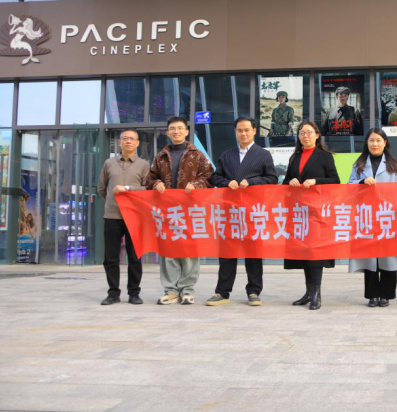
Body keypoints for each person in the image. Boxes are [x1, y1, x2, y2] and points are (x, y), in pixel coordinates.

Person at [206, 117, 278, 307]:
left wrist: (252, 182)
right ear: (235, 132)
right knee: (227, 253)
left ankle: (254, 291)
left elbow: (272, 178)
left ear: (254, 131)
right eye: (240, 130)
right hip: (230, 211)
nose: (243, 133)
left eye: (247, 130)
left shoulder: (263, 154)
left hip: (253, 212)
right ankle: (222, 292)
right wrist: (226, 182)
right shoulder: (227, 154)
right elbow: (215, 177)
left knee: (253, 252)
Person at [146, 116, 213, 305]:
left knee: (189, 250)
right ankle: (171, 290)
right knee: (168, 250)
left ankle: (187, 290)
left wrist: (196, 184)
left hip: (191, 210)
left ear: (186, 131)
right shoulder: (160, 156)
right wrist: (157, 183)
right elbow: (149, 179)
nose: (176, 131)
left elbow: (209, 177)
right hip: (167, 210)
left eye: (180, 128)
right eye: (173, 128)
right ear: (167, 132)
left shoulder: (197, 155)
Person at [348, 128, 397, 307]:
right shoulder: (359, 164)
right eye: (371, 140)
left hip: (388, 216)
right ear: (367, 143)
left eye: (378, 140)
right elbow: (349, 186)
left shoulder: (395, 164)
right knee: (370, 258)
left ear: (385, 143)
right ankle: (372, 295)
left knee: (389, 257)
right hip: (367, 216)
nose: (375, 144)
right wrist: (361, 182)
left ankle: (387, 295)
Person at [283, 121, 340, 310]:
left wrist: (316, 181)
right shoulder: (295, 157)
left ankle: (316, 294)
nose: (305, 135)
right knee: (304, 253)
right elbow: (285, 182)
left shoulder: (324, 156)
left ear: (317, 135)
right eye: (301, 132)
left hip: (318, 212)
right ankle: (308, 293)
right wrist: (290, 181)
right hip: (299, 213)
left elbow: (335, 181)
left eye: (309, 132)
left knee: (316, 253)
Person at [96, 129, 150, 305]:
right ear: (119, 142)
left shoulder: (143, 165)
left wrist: (127, 189)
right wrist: (113, 202)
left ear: (137, 143)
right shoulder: (109, 163)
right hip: (112, 216)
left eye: (132, 139)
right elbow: (101, 188)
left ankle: (134, 293)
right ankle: (113, 293)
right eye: (125, 138)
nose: (128, 141)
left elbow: (147, 189)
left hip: (135, 217)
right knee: (110, 257)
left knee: (134, 256)